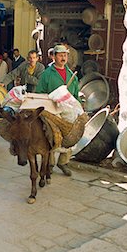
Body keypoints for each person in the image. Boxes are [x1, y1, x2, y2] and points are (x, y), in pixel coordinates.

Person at [35, 44, 80, 176]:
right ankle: (50, 163)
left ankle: (63, 162)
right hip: (53, 111)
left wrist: (80, 104)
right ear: (54, 57)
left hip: (69, 111)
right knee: (53, 137)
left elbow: (76, 95)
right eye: (60, 55)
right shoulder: (47, 75)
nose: (63, 57)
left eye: (65, 55)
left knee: (71, 136)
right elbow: (40, 92)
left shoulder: (72, 75)